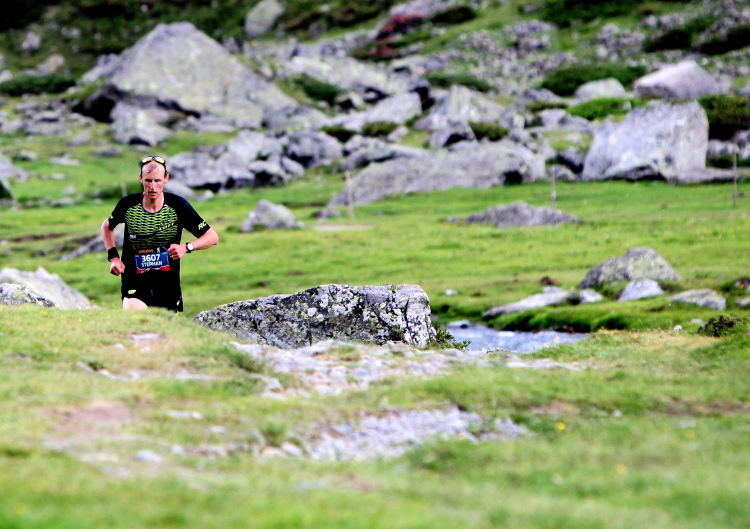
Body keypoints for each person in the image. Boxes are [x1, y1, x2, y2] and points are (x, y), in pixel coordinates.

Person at [101, 155, 219, 311]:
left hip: (167, 284)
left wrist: (186, 247)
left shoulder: (177, 206)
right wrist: (114, 258)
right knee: (135, 315)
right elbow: (107, 226)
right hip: (134, 281)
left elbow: (212, 237)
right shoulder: (128, 205)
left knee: (164, 325)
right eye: (148, 180)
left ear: (166, 179)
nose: (152, 187)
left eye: (157, 181)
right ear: (141, 179)